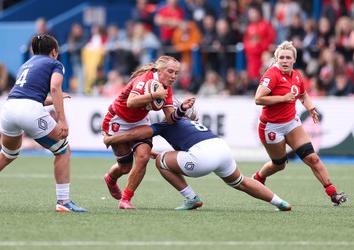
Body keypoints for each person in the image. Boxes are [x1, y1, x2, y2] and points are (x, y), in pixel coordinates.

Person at [0, 34, 87, 212]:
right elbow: (55, 88)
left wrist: (53, 100)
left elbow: (29, 96)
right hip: (29, 110)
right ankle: (63, 202)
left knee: (7, 154)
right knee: (63, 150)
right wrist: (62, 119)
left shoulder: (26, 65)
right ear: (54, 52)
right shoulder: (55, 63)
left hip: (9, 108)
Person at [103, 99, 291, 211]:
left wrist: (112, 139)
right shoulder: (188, 123)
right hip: (221, 149)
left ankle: (191, 198)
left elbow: (136, 134)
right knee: (241, 181)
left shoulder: (166, 124)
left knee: (161, 161)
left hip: (202, 157)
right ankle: (279, 202)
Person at [252, 41, 348, 206]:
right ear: (276, 59)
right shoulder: (271, 75)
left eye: (288, 57)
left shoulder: (296, 76)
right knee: (279, 164)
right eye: (281, 57)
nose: (284, 60)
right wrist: (282, 98)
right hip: (271, 127)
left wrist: (310, 107)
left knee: (313, 158)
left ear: (294, 60)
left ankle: (333, 194)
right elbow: (258, 98)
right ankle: (258, 177)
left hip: (291, 123)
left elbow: (303, 95)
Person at [102, 55, 189, 209]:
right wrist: (154, 95)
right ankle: (110, 179)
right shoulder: (144, 79)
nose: (174, 76)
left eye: (176, 73)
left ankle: (126, 199)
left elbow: (170, 118)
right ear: (159, 70)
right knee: (125, 168)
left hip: (140, 121)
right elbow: (131, 102)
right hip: (118, 120)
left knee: (142, 157)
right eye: (170, 71)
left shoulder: (166, 89)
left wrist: (182, 109)